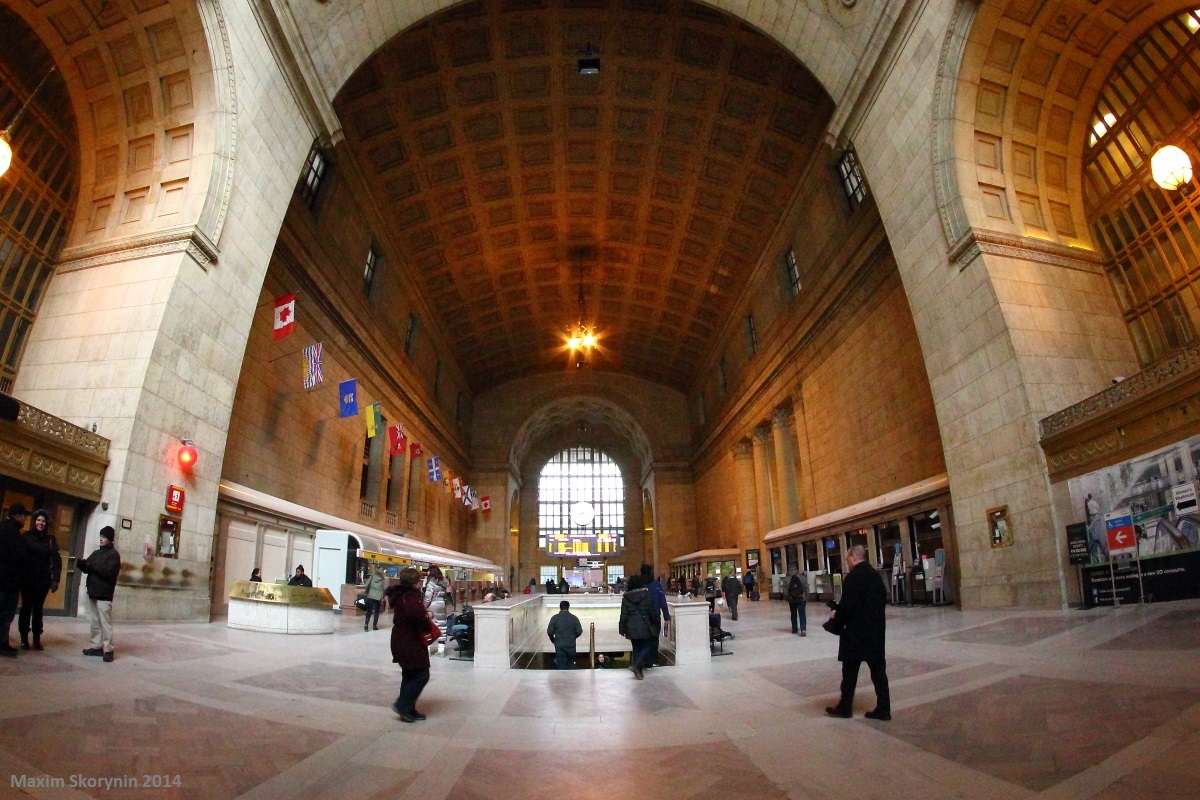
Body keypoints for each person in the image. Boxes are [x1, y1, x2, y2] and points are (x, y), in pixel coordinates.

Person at [825, 545, 890, 721]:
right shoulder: (876, 576)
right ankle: (884, 708)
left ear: (853, 557)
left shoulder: (853, 578)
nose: (847, 563)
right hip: (875, 632)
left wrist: (835, 614)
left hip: (855, 633)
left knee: (849, 672)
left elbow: (848, 607)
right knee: (878, 671)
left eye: (847, 560)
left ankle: (845, 707)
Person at [385, 567, 432, 723]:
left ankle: (408, 710)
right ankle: (402, 704)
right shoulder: (410, 597)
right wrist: (427, 617)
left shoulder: (401, 595)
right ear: (415, 582)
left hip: (402, 639)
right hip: (409, 641)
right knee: (422, 674)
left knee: (410, 673)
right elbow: (417, 617)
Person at [78, 526, 121, 663]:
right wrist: (83, 565)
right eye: (101, 536)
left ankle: (108, 649)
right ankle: (96, 646)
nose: (101, 539)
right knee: (95, 622)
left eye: (104, 537)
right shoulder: (97, 553)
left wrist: (92, 567)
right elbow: (89, 567)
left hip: (104, 593)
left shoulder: (114, 555)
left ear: (110, 539)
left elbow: (108, 572)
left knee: (105, 623)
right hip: (94, 591)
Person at [19, 508, 61, 650]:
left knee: (38, 610)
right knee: (26, 608)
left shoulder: (50, 540)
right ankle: (24, 638)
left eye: (43, 521)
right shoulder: (26, 536)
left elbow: (56, 559)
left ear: (46, 523)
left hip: (42, 581)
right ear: (34, 521)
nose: (40, 523)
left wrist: (56, 579)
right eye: (38, 520)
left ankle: (37, 638)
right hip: (27, 580)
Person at [0, 503, 29, 658]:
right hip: (9, 582)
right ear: (18, 516)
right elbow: (20, 558)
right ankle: (2, 645)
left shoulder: (2, 528)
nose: (25, 519)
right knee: (5, 616)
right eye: (24, 516)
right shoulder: (14, 534)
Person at [618, 574, 659, 680]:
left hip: (631, 627)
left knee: (636, 648)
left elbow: (624, 615)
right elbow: (652, 611)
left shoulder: (626, 597)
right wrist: (656, 623)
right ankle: (637, 666)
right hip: (645, 625)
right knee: (648, 646)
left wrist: (622, 628)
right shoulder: (647, 594)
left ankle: (638, 672)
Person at [546, 599, 583, 669]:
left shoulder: (555, 618)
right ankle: (571, 678)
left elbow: (549, 631)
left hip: (559, 645)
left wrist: (553, 640)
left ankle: (562, 679)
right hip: (571, 645)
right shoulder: (574, 618)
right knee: (571, 664)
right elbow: (579, 631)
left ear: (560, 607)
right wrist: (573, 637)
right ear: (568, 607)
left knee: (561, 664)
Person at [641, 564, 670, 641]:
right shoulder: (656, 584)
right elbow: (662, 602)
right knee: (654, 639)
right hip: (654, 615)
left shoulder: (638, 584)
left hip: (641, 616)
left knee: (642, 641)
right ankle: (653, 652)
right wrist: (666, 617)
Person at [363, 566, 387, 631]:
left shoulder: (372, 577)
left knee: (369, 611)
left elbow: (366, 585)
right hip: (378, 597)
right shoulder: (383, 580)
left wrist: (368, 591)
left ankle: (366, 625)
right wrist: (383, 596)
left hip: (370, 595)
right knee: (376, 612)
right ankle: (374, 626)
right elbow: (385, 589)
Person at [786, 565, 808, 636]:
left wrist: (789, 598)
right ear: (797, 570)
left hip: (792, 600)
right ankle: (803, 629)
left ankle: (795, 629)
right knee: (802, 614)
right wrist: (805, 597)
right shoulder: (803, 577)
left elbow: (785, 591)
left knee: (793, 614)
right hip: (801, 599)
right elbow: (807, 589)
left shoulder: (786, 579)